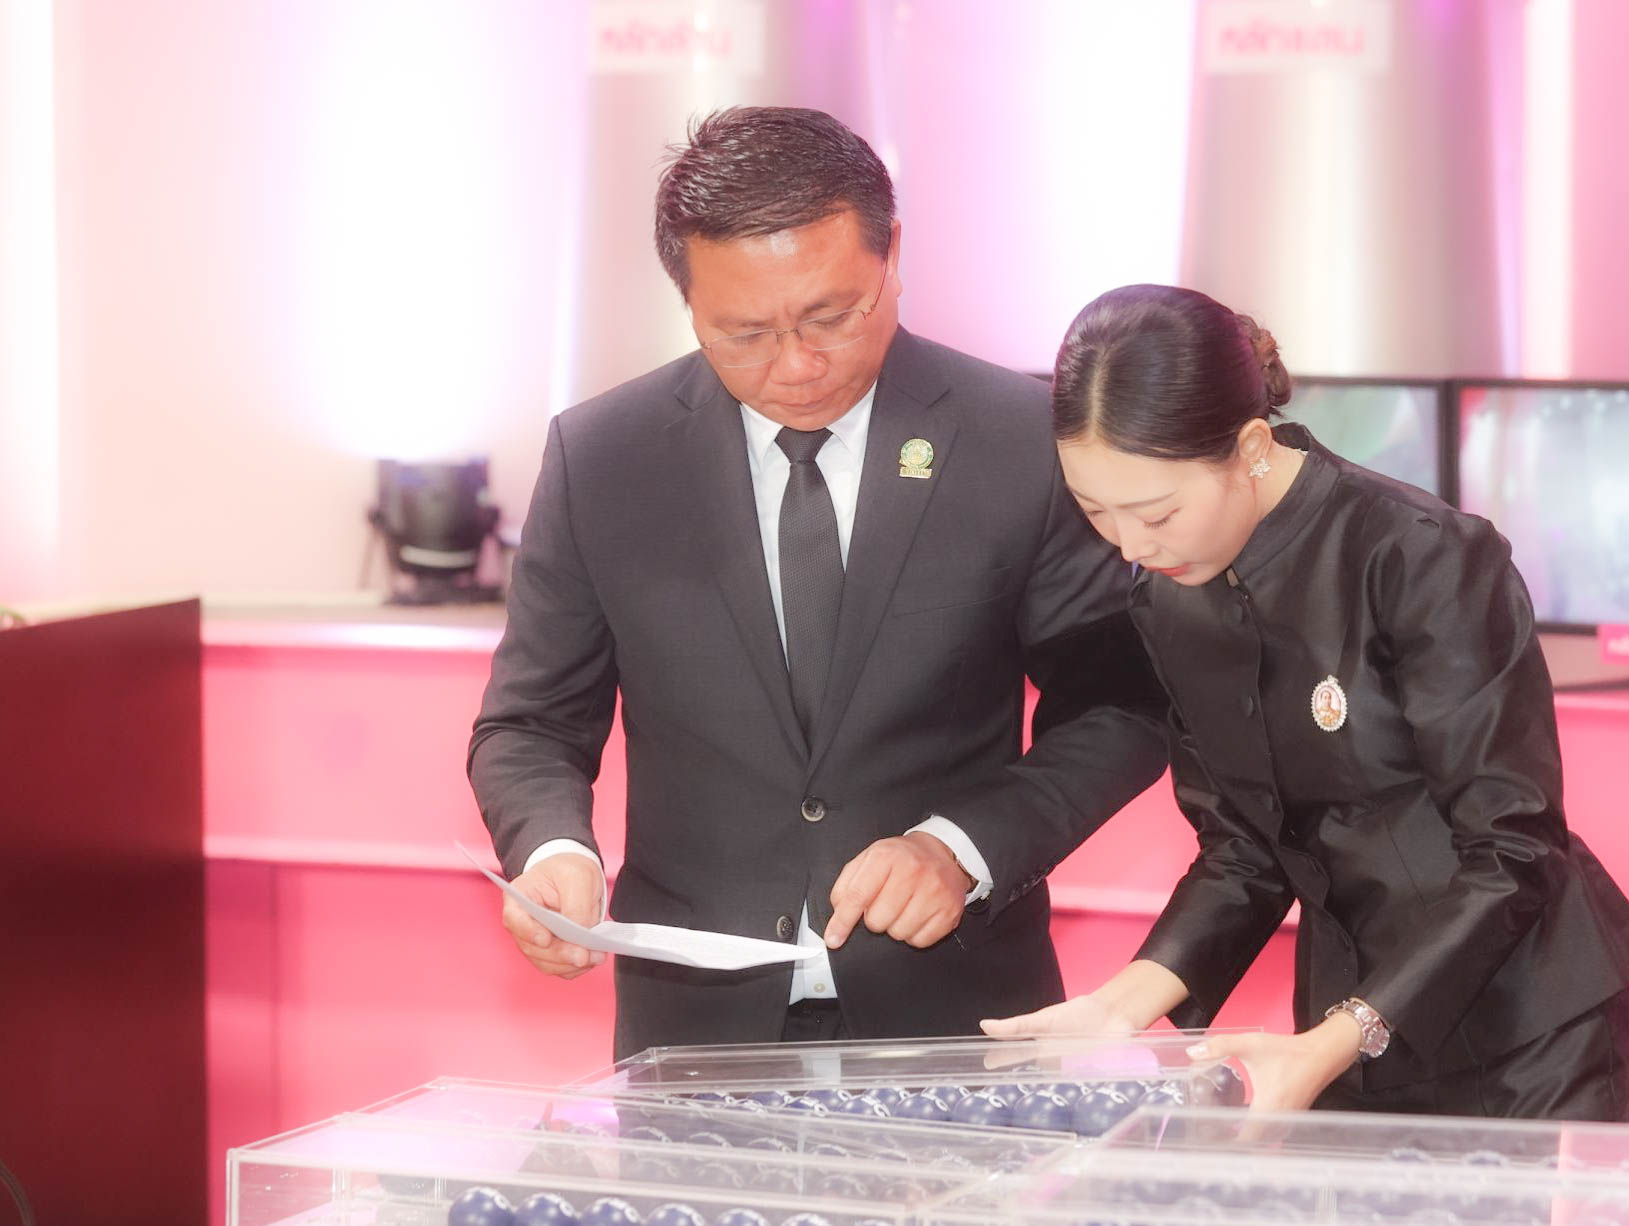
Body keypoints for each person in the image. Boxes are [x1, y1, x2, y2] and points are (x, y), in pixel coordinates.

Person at [469, 109, 1168, 1057]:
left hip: (957, 1010)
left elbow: (1121, 706)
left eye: (833, 317)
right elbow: (531, 723)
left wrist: (960, 849)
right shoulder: (605, 458)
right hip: (694, 1028)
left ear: (893, 256)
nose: (796, 366)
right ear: (688, 301)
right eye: (744, 332)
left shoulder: (1018, 439)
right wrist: (554, 850)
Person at [985, 284, 1629, 1121]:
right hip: (1341, 1027)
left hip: (1526, 1032)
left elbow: (1512, 847)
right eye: (1096, 512)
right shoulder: (1167, 599)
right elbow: (1243, 848)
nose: (1131, 544)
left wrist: (1343, 1035)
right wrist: (1118, 1006)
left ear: (1249, 447)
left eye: (1156, 512)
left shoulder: (1418, 557)